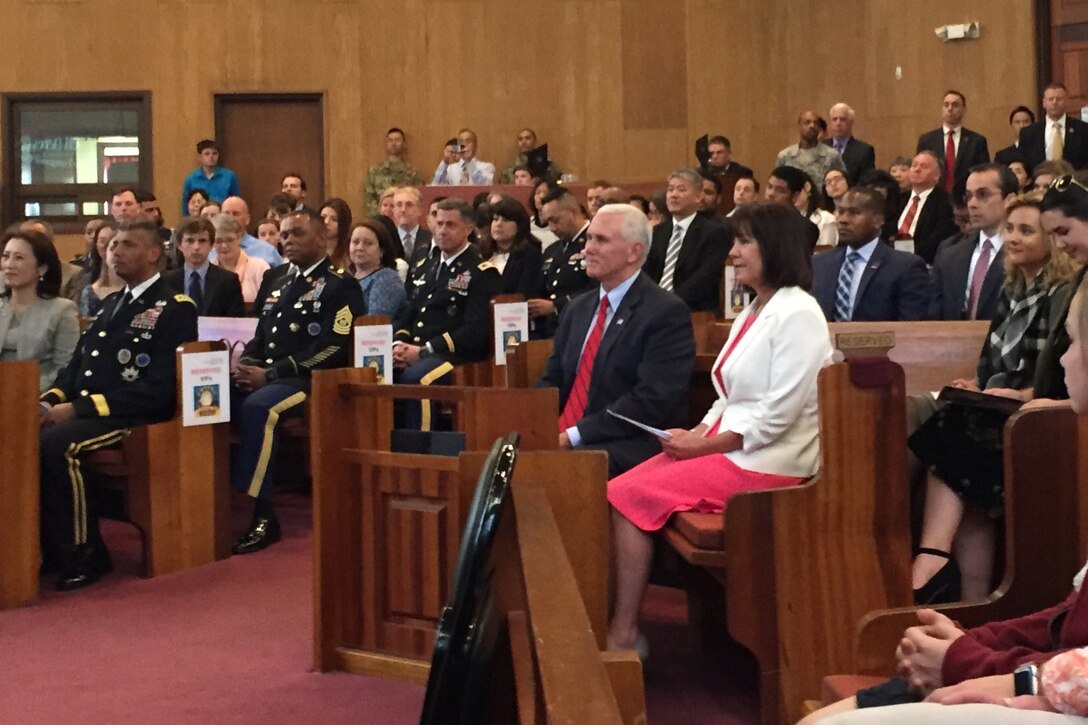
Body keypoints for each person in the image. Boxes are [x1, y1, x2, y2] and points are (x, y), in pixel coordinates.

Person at [802, 270, 1088, 725]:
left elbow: (1073, 668)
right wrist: (971, 640)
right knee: (826, 717)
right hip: (1038, 677)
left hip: (1051, 695)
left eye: (1072, 342)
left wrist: (966, 661)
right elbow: (1068, 618)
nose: (1065, 358)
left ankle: (934, 557)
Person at [605, 202, 831, 656]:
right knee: (620, 486)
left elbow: (777, 416)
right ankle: (619, 624)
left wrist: (706, 447)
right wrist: (694, 436)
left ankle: (623, 633)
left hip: (773, 462)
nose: (734, 252)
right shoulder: (755, 309)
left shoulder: (799, 313)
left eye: (745, 241)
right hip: (737, 449)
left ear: (775, 247)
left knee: (626, 496)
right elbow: (726, 396)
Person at [911, 191, 1078, 604]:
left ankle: (931, 557)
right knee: (954, 431)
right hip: (1000, 406)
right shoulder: (1011, 289)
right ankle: (972, 600)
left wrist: (1017, 393)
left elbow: (1057, 379)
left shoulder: (1063, 293)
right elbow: (990, 361)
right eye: (1010, 229)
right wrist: (978, 386)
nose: (1014, 238)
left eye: (1027, 230)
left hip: (1043, 413)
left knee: (955, 438)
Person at [39, 220, 198, 590]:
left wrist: (78, 409)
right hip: (94, 412)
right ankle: (48, 546)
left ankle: (87, 551)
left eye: (126, 245)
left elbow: (158, 388)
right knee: (28, 432)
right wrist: (49, 401)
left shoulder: (174, 307)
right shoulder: (113, 302)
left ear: (154, 254)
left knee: (59, 446)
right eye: (111, 246)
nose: (114, 252)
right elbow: (76, 367)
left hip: (136, 416)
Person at [231, 211, 366, 555]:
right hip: (267, 374)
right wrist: (247, 364)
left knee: (261, 408)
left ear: (322, 239)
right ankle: (211, 504)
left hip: (310, 380)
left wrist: (271, 374)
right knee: (208, 399)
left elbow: (334, 346)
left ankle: (262, 514)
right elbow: (259, 334)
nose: (287, 241)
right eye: (284, 235)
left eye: (297, 235)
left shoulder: (340, 283)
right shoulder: (275, 278)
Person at [537, 203, 694, 476]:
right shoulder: (578, 308)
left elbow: (650, 401)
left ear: (634, 251)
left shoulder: (665, 312)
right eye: (589, 238)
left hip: (628, 440)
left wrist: (573, 435)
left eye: (601, 240)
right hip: (569, 434)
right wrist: (534, 425)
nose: (588, 249)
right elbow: (553, 379)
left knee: (561, 470)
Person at [392, 198, 501, 428]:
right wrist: (399, 343)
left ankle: (419, 453)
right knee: (377, 372)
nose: (442, 231)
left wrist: (424, 350)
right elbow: (411, 311)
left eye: (450, 225)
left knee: (416, 380)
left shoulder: (481, 271)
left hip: (455, 356)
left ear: (468, 229)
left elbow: (474, 332)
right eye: (439, 223)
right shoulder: (429, 265)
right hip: (418, 350)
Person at [812, 187, 930, 321]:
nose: (843, 220)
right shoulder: (818, 264)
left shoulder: (905, 267)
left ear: (878, 220)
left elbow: (911, 327)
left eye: (854, 213)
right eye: (840, 211)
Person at [930, 165, 1019, 321]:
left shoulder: (1021, 252)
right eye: (968, 196)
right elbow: (933, 316)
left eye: (982, 194)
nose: (972, 204)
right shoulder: (949, 254)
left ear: (1009, 200)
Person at [643, 168, 733, 312]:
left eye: (681, 190)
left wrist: (668, 303)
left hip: (692, 309)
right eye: (670, 190)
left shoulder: (713, 232)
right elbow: (646, 271)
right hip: (654, 306)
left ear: (698, 197)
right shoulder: (658, 232)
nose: (674, 195)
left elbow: (705, 277)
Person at [0, 229, 79, 391]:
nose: (9, 265)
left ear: (42, 268)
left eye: (19, 258)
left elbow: (64, 368)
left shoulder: (62, 310)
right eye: (5, 256)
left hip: (37, 397)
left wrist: (23, 390)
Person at [529, 188, 595, 339]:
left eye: (555, 220)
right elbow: (541, 288)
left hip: (583, 328)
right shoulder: (553, 250)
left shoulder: (594, 242)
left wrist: (557, 306)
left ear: (572, 212)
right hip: (553, 332)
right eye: (548, 223)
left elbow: (598, 288)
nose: (552, 228)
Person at [164, 217, 245, 317]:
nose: (196, 247)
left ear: (211, 245)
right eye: (190, 241)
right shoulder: (167, 281)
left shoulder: (228, 281)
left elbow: (235, 322)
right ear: (179, 245)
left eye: (202, 241)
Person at [917, 90, 991, 192]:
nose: (950, 108)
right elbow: (920, 172)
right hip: (934, 197)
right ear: (942, 109)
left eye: (955, 105)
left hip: (966, 197)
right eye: (946, 105)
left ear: (964, 109)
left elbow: (983, 173)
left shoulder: (977, 141)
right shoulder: (927, 140)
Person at [896, 151, 959, 264]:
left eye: (924, 166)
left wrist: (908, 257)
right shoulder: (897, 199)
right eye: (914, 165)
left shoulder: (946, 202)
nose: (917, 169)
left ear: (937, 175)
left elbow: (939, 239)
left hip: (924, 264)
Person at [1019, 83, 1088, 173]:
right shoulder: (1029, 132)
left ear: (1066, 101)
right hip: (1040, 183)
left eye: (1059, 99)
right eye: (1051, 99)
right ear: (1044, 103)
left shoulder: (1083, 129)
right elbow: (1025, 162)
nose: (1054, 102)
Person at [484, 195, 544, 299]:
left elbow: (524, 294)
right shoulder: (482, 253)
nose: (498, 224)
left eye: (505, 220)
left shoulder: (530, 255)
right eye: (495, 219)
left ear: (519, 225)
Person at [209, 213, 270, 311]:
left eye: (229, 240)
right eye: (218, 241)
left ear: (239, 238)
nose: (224, 246)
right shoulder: (208, 271)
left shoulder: (259, 267)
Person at [349, 219, 407, 320]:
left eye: (368, 243)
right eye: (355, 242)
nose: (360, 248)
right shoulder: (347, 277)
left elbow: (375, 325)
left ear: (382, 251)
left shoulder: (386, 279)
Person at [775, 110, 847, 189]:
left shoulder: (831, 155)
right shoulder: (785, 156)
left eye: (815, 123)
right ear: (800, 126)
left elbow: (843, 184)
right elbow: (777, 185)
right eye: (807, 122)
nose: (812, 126)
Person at [363, 127, 423, 215]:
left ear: (404, 144)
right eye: (390, 140)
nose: (393, 143)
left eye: (397, 140)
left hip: (404, 217)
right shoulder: (375, 172)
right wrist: (383, 214)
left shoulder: (413, 173)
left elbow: (418, 198)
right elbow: (369, 199)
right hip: (380, 220)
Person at [764, 166, 822, 250]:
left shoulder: (804, 228)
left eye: (780, 190)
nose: (771, 194)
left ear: (795, 196)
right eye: (769, 187)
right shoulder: (753, 220)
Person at [179, 139, 240, 216]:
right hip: (199, 220)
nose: (211, 157)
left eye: (214, 154)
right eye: (207, 154)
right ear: (200, 157)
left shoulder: (229, 176)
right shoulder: (191, 179)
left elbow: (236, 202)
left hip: (222, 219)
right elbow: (186, 206)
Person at [218, 196, 284, 267]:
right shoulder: (211, 251)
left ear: (247, 219)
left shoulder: (268, 250)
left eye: (236, 214)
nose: (230, 218)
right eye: (226, 214)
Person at [825, 102, 877, 184]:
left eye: (842, 119)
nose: (838, 123)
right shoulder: (821, 147)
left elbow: (867, 182)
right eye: (834, 119)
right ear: (830, 123)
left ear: (851, 122)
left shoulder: (864, 150)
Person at [79, 222, 123, 317]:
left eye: (123, 250)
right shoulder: (90, 291)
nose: (117, 254)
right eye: (112, 248)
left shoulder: (142, 291)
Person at [391, 186, 432, 269]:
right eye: (399, 205)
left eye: (409, 205)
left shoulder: (431, 239)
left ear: (420, 210)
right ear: (394, 210)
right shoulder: (387, 239)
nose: (403, 210)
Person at [796, 176, 838, 247]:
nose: (792, 196)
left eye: (796, 191)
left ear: (807, 187)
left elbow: (826, 252)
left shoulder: (825, 219)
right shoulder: (786, 220)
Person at [319, 198, 352, 269]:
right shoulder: (310, 249)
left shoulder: (349, 254)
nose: (326, 222)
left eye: (334, 219)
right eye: (323, 217)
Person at [528, 178, 560, 248]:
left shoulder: (559, 225)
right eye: (538, 192)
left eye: (546, 192)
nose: (541, 196)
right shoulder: (528, 224)